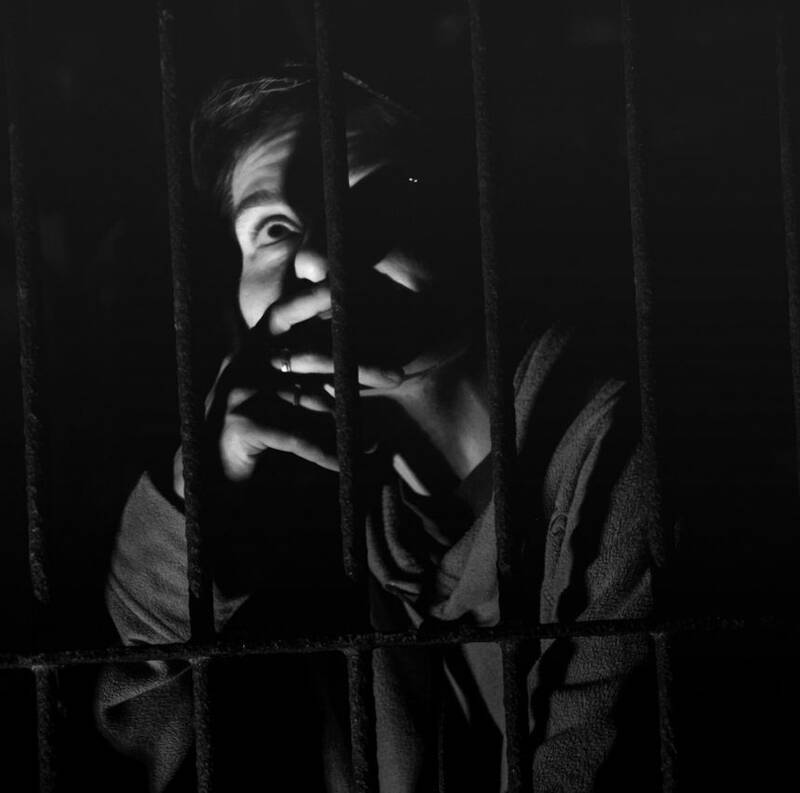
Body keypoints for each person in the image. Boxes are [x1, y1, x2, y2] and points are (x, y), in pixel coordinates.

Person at [95, 64, 661, 792]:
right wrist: (197, 502)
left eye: (370, 196)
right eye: (273, 228)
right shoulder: (337, 529)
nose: (312, 258)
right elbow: (147, 750)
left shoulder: (628, 454)